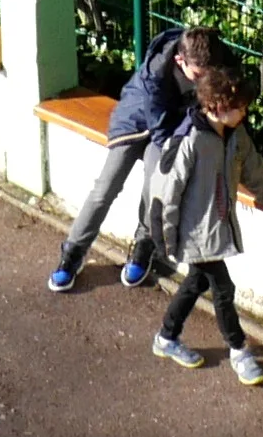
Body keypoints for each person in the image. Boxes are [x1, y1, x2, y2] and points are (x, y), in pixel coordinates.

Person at [138, 53, 263, 385]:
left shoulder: (236, 136)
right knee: (223, 289)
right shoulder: (191, 140)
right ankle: (239, 351)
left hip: (215, 229)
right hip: (194, 232)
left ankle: (166, 338)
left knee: (195, 283)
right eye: (240, 107)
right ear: (219, 107)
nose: (245, 112)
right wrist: (167, 236)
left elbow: (257, 177)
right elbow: (169, 190)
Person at [43, 23, 203, 293]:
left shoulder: (209, 59)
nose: (202, 80)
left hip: (170, 126)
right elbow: (160, 127)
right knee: (105, 188)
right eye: (196, 74)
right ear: (180, 60)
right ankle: (73, 252)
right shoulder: (157, 74)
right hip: (139, 121)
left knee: (155, 186)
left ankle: (144, 244)